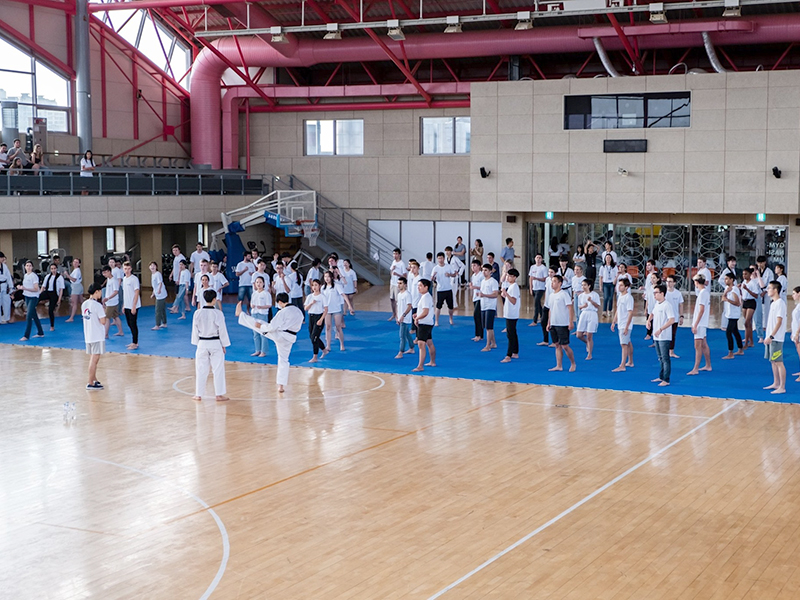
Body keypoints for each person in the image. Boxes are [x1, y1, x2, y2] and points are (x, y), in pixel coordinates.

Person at [237, 293, 303, 393]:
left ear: (280, 302)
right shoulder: (298, 311)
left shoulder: (283, 312)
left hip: (280, 335)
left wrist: (261, 327)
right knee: (284, 360)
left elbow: (272, 326)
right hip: (290, 338)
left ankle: (241, 315)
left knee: (260, 324)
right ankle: (281, 386)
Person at [192, 289, 231, 401]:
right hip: (215, 343)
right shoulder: (218, 313)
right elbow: (222, 330)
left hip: (202, 342)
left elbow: (195, 330)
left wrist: (197, 343)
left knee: (200, 369)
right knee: (218, 369)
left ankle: (198, 394)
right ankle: (219, 394)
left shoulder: (197, 313)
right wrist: (224, 344)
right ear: (214, 300)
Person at [546, 274, 576, 372]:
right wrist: (549, 322)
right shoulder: (551, 295)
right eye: (552, 281)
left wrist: (570, 322)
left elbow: (570, 308)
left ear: (560, 283)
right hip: (554, 323)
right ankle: (559, 365)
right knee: (557, 345)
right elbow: (550, 309)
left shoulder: (564, 294)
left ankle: (573, 363)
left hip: (562, 323)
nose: (552, 283)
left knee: (565, 346)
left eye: (554, 281)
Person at [647, 283, 675, 387]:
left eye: (656, 293)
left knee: (665, 358)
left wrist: (661, 329)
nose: (654, 295)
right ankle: (661, 376)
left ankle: (666, 379)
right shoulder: (657, 304)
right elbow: (652, 313)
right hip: (657, 335)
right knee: (660, 357)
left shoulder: (667, 305)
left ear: (662, 293)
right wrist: (648, 321)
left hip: (664, 336)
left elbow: (671, 320)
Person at [82, 283, 107, 390]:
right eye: (100, 291)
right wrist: (104, 310)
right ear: (97, 291)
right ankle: (90, 382)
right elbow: (103, 321)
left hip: (88, 335)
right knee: (94, 360)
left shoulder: (84, 304)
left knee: (92, 359)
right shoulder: (97, 306)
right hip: (97, 335)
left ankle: (94, 379)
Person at [763, 280, 787, 394]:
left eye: (769, 288)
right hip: (771, 337)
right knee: (773, 361)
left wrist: (771, 336)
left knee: (778, 362)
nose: (767, 290)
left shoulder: (780, 303)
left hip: (776, 338)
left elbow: (779, 322)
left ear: (775, 290)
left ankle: (782, 386)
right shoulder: (773, 303)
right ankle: (776, 382)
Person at [687, 274, 712, 376]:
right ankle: (708, 365)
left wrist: (695, 324)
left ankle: (695, 368)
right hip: (702, 322)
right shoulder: (705, 293)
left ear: (696, 282)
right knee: (704, 344)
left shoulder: (702, 294)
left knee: (698, 346)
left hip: (700, 323)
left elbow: (701, 310)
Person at [610, 278, 635, 372]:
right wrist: (614, 321)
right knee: (627, 342)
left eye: (621, 285)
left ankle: (622, 365)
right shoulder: (620, 296)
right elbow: (618, 309)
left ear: (626, 287)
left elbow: (630, 312)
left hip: (625, 323)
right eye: (618, 285)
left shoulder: (628, 297)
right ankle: (630, 361)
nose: (619, 287)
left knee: (623, 344)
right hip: (621, 322)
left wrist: (626, 326)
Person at [412, 279, 436, 372]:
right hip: (428, 322)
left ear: (426, 287)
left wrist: (417, 318)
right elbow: (424, 311)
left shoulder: (426, 297)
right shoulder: (426, 297)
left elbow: (425, 312)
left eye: (420, 286)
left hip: (424, 323)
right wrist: (417, 315)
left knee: (421, 344)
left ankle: (420, 366)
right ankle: (432, 361)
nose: (418, 288)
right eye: (418, 286)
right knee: (429, 342)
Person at [17, 261, 44, 341]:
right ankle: (40, 332)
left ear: (32, 267)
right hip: (27, 296)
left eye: (30, 266)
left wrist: (25, 288)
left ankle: (26, 335)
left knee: (29, 315)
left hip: (33, 297)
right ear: (25, 267)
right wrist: (21, 287)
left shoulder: (34, 276)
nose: (28, 267)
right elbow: (26, 286)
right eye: (27, 266)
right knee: (34, 315)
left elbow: (36, 289)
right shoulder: (25, 275)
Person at [322, 270, 347, 353]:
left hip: (336, 309)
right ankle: (328, 345)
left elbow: (343, 295)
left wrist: (349, 306)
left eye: (328, 277)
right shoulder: (323, 288)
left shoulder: (336, 286)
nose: (327, 278)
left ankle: (342, 344)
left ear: (332, 277)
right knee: (328, 327)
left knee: (338, 327)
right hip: (327, 310)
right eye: (325, 277)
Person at [721, 272, 744, 360]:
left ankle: (730, 352)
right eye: (725, 279)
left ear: (732, 280)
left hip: (734, 314)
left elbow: (737, 303)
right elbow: (723, 298)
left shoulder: (734, 289)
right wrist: (726, 292)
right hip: (729, 313)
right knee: (735, 331)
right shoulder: (727, 288)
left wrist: (728, 299)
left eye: (727, 279)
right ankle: (740, 349)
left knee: (728, 332)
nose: (725, 280)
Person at [576, 278, 600, 360]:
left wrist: (591, 301)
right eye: (582, 285)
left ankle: (590, 353)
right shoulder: (581, 296)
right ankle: (587, 343)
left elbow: (597, 306)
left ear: (589, 286)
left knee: (589, 335)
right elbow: (579, 306)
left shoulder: (595, 295)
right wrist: (583, 306)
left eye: (585, 285)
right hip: (584, 313)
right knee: (579, 335)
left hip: (592, 313)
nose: (583, 287)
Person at [431, 252, 457, 327]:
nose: (440, 260)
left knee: (450, 306)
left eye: (441, 258)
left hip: (448, 289)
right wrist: (433, 277)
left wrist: (450, 275)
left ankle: (451, 318)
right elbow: (432, 278)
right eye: (439, 258)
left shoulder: (448, 266)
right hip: (440, 290)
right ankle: (436, 321)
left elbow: (454, 274)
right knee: (438, 306)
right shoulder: (435, 268)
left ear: (444, 258)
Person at [304, 279, 327, 363]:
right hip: (311, 317)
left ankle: (315, 356)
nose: (314, 287)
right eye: (313, 285)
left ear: (319, 286)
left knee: (314, 337)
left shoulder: (322, 297)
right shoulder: (310, 297)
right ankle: (324, 350)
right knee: (312, 337)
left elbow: (326, 309)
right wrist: (311, 303)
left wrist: (321, 319)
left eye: (316, 285)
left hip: (319, 316)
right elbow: (305, 308)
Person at [478, 263, 500, 352]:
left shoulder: (493, 281)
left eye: (486, 270)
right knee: (487, 326)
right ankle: (493, 343)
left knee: (488, 327)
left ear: (490, 271)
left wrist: (484, 295)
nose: (484, 272)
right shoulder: (483, 281)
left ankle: (487, 345)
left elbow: (495, 294)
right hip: (483, 305)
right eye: (483, 270)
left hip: (490, 306)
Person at [500, 268, 520, 363]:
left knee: (510, 334)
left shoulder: (514, 287)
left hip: (512, 313)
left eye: (510, 276)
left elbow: (513, 300)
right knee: (512, 333)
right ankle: (515, 352)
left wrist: (506, 294)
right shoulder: (511, 286)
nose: (508, 278)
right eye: (507, 276)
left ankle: (509, 354)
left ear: (514, 277)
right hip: (509, 313)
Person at [250, 275, 273, 358]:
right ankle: (257, 350)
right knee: (255, 333)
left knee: (263, 333)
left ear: (263, 283)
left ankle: (263, 351)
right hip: (254, 314)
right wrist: (252, 306)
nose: (258, 284)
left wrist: (262, 307)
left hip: (262, 314)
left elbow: (269, 305)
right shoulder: (254, 293)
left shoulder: (266, 294)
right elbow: (251, 303)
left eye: (260, 282)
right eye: (257, 282)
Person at [122, 261, 141, 350]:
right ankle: (134, 341)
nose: (127, 270)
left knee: (133, 324)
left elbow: (136, 292)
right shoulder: (124, 279)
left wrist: (134, 306)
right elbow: (125, 293)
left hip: (133, 305)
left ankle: (135, 342)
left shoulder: (134, 279)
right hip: (127, 304)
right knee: (129, 323)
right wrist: (124, 305)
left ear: (131, 269)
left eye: (128, 269)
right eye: (125, 269)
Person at [395, 276, 415, 359]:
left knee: (402, 335)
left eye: (400, 283)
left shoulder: (407, 294)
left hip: (405, 318)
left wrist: (403, 315)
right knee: (406, 333)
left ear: (405, 285)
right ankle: (412, 347)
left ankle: (401, 352)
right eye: (398, 283)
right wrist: (397, 316)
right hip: (400, 317)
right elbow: (398, 306)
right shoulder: (399, 295)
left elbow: (409, 306)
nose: (398, 285)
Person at [101, 265, 124, 338]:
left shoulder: (114, 280)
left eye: (105, 272)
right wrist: (106, 300)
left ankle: (106, 334)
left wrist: (108, 298)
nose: (104, 274)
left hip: (112, 302)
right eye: (103, 273)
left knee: (107, 318)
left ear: (109, 272)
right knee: (115, 316)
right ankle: (121, 331)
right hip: (110, 301)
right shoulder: (109, 279)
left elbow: (116, 291)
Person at [665, 275, 684, 358]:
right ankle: (664, 352)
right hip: (665, 318)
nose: (668, 283)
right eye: (667, 281)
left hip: (674, 317)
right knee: (664, 335)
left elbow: (681, 305)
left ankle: (671, 351)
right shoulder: (663, 293)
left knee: (672, 335)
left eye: (670, 281)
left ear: (674, 283)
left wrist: (681, 316)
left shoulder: (678, 293)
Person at [41, 263, 65, 331]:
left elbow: (61, 289)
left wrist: (59, 300)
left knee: (50, 310)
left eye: (54, 268)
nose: (53, 270)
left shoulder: (60, 277)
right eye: (52, 269)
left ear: (56, 269)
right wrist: (39, 294)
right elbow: (43, 286)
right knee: (37, 298)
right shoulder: (48, 276)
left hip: (54, 294)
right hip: (47, 292)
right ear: (50, 269)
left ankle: (52, 326)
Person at [537, 267, 556, 347]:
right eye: (549, 272)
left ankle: (555, 341)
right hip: (546, 304)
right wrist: (545, 301)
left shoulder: (556, 281)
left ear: (555, 273)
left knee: (552, 323)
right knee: (543, 322)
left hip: (553, 305)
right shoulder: (547, 279)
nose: (550, 274)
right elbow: (546, 291)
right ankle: (545, 340)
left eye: (552, 272)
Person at [528, 253, 548, 326]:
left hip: (541, 288)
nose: (538, 259)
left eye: (540, 258)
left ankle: (535, 320)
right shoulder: (532, 267)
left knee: (536, 303)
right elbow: (530, 278)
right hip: (534, 287)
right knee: (538, 303)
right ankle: (543, 317)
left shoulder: (543, 268)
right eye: (537, 258)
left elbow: (545, 279)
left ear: (542, 259)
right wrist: (530, 288)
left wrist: (537, 278)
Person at [389, 248, 407, 322]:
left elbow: (405, 276)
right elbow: (391, 272)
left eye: (396, 254)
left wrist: (397, 274)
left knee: (397, 300)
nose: (395, 255)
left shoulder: (402, 264)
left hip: (398, 284)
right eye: (394, 254)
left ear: (399, 255)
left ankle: (397, 315)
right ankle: (393, 314)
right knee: (392, 299)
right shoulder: (393, 262)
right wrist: (392, 271)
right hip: (392, 283)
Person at [63, 258, 83, 322]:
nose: (75, 263)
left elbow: (74, 279)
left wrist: (67, 275)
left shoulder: (77, 271)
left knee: (74, 303)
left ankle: (71, 317)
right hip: (78, 286)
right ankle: (85, 314)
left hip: (76, 286)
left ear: (79, 264)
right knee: (81, 302)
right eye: (74, 262)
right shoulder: (76, 270)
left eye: (76, 262)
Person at [149, 262, 168, 330]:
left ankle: (157, 325)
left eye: (154, 265)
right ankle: (164, 323)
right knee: (162, 309)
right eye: (151, 266)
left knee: (158, 310)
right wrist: (153, 293)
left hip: (161, 294)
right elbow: (155, 286)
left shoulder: (157, 274)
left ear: (156, 267)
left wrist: (159, 290)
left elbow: (160, 283)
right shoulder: (153, 275)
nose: (152, 267)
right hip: (158, 294)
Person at [469, 260, 484, 343]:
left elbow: (483, 286)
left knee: (477, 315)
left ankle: (478, 335)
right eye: (472, 266)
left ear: (479, 266)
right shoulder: (473, 276)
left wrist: (475, 287)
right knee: (478, 316)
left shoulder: (481, 275)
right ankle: (480, 335)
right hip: (475, 297)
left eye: (474, 265)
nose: (473, 267)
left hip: (480, 297)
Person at [0, 251, 13, 324]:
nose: (3, 259)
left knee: (7, 302)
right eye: (2, 258)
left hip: (5, 285)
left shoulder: (4, 266)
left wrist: (11, 287)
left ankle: (7, 318)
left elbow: (8, 277)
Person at [791, 286, 800, 382]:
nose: (793, 295)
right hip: (796, 332)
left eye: (794, 293)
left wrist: (797, 333)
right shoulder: (798, 305)